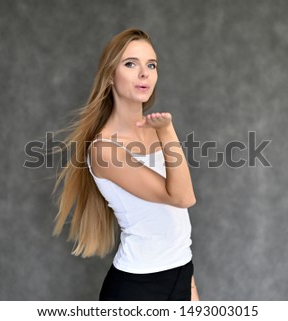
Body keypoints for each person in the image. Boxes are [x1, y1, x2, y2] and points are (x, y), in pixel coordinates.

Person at [52, 28, 199, 301]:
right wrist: (168, 131)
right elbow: (183, 197)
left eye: (151, 65)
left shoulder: (155, 130)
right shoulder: (105, 150)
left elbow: (177, 232)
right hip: (137, 288)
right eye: (131, 64)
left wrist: (191, 291)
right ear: (110, 76)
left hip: (179, 274)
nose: (145, 73)